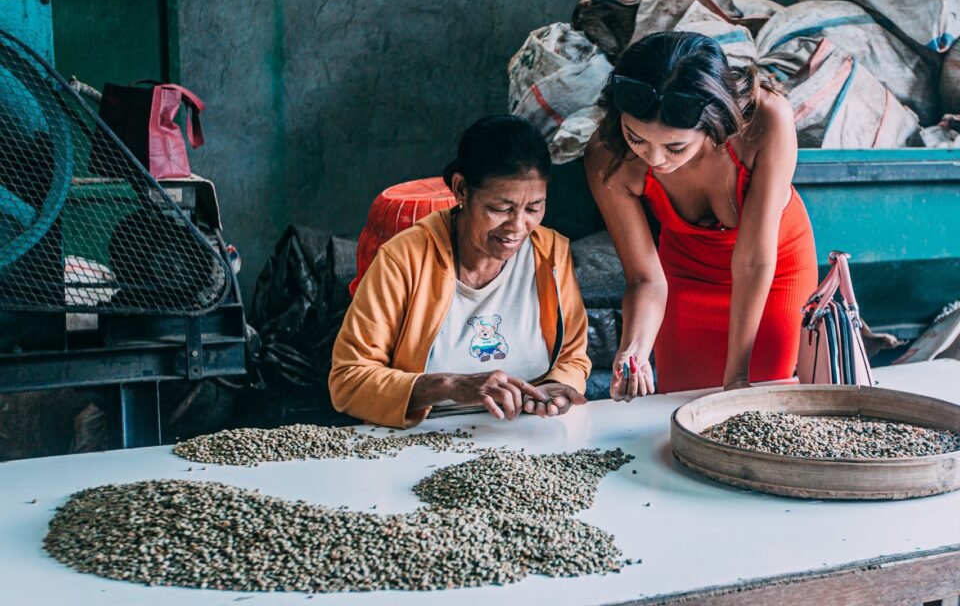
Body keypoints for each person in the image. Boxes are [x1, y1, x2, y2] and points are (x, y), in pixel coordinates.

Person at [584, 31, 818, 399]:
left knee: (761, 400)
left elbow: (754, 261)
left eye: (675, 146)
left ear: (714, 122)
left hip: (774, 269)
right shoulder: (608, 155)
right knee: (681, 404)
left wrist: (737, 375)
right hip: (686, 272)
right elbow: (645, 279)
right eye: (637, 137)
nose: (655, 159)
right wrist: (633, 349)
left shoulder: (766, 119)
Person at [330, 114, 590, 428]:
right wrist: (451, 386)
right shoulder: (403, 259)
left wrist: (558, 387)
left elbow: (573, 356)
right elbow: (348, 380)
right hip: (424, 437)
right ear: (461, 189)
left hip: (528, 435)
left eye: (534, 208)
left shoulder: (551, 255)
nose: (518, 227)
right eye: (500, 208)